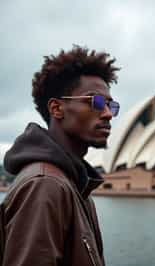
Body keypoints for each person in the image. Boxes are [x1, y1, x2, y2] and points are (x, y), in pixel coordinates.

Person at [2, 45, 120, 266]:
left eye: (110, 106)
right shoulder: (45, 185)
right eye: (95, 101)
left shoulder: (76, 185)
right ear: (57, 109)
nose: (107, 114)